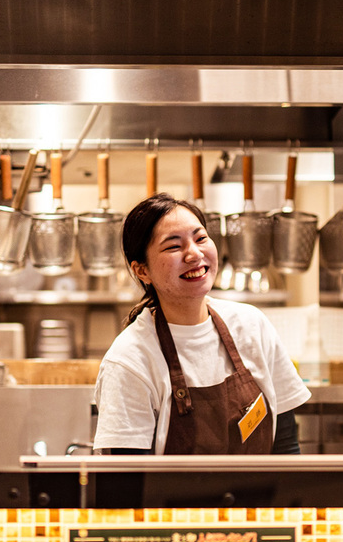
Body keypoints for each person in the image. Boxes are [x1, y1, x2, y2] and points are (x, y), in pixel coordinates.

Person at [93, 193, 310, 454]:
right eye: (173, 246)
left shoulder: (252, 326)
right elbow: (127, 474)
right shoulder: (129, 360)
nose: (194, 254)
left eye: (201, 238)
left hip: (260, 484)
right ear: (142, 271)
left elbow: (286, 446)